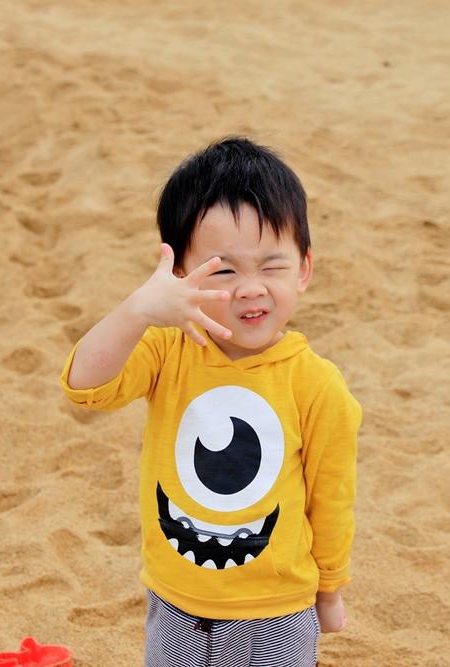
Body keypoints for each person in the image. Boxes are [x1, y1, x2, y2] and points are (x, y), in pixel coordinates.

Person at [59, 136, 362, 667]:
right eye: (223, 270)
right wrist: (136, 312)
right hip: (174, 601)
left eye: (272, 266)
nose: (250, 288)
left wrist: (330, 592)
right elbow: (86, 386)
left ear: (305, 269)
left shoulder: (316, 385)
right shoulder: (167, 349)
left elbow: (331, 498)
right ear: (181, 277)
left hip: (278, 612)